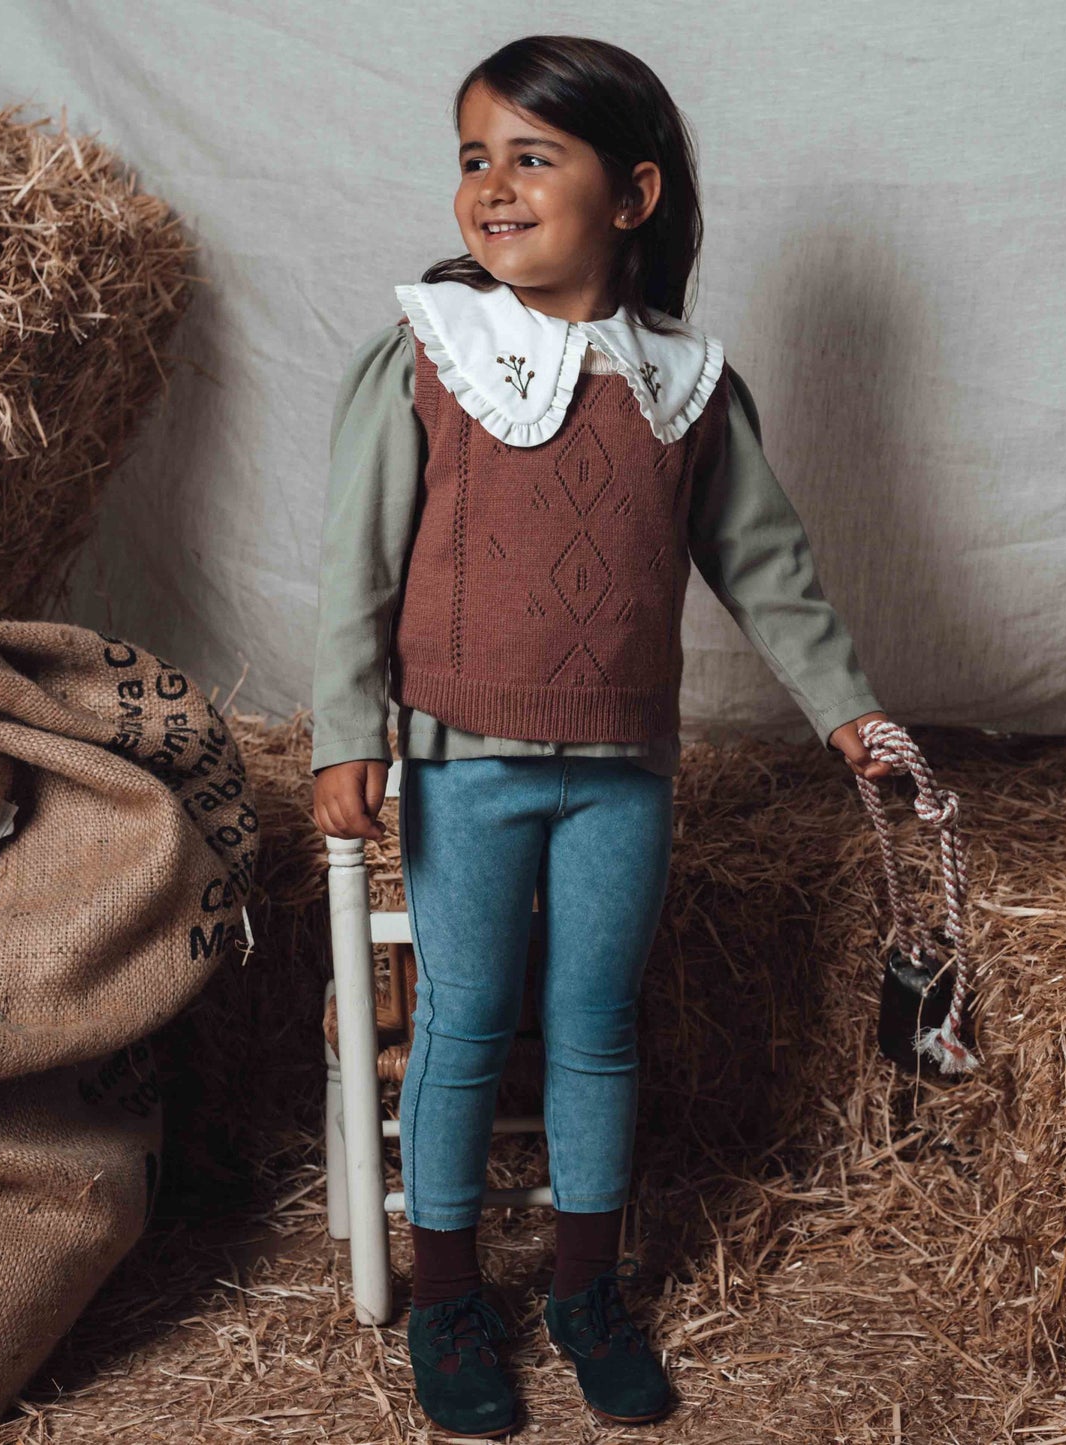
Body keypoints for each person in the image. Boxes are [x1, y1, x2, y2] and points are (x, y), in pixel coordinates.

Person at [310, 34, 893, 1438]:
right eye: (473, 159)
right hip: (462, 759)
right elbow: (357, 568)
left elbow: (767, 568)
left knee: (590, 1021)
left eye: (531, 157)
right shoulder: (428, 356)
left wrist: (847, 708)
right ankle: (448, 1292)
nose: (492, 188)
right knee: (462, 1020)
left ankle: (584, 1285)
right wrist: (347, 730)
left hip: (621, 771)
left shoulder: (684, 386)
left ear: (630, 196)